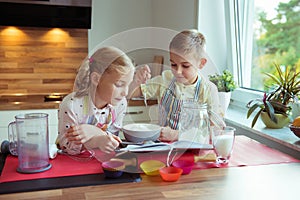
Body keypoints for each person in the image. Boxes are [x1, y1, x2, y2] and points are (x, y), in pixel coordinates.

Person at [128, 29, 222, 142]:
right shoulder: (165, 80)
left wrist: (177, 135)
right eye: (173, 64)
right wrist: (136, 82)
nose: (178, 71)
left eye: (186, 66)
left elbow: (215, 131)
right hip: (162, 147)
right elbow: (129, 94)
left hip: (193, 151)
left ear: (201, 63)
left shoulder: (209, 90)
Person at [56, 46, 135, 155]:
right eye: (119, 84)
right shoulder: (72, 105)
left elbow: (112, 141)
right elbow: (69, 148)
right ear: (96, 79)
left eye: (128, 85)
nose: (125, 93)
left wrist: (94, 132)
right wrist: (98, 140)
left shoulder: (120, 103)